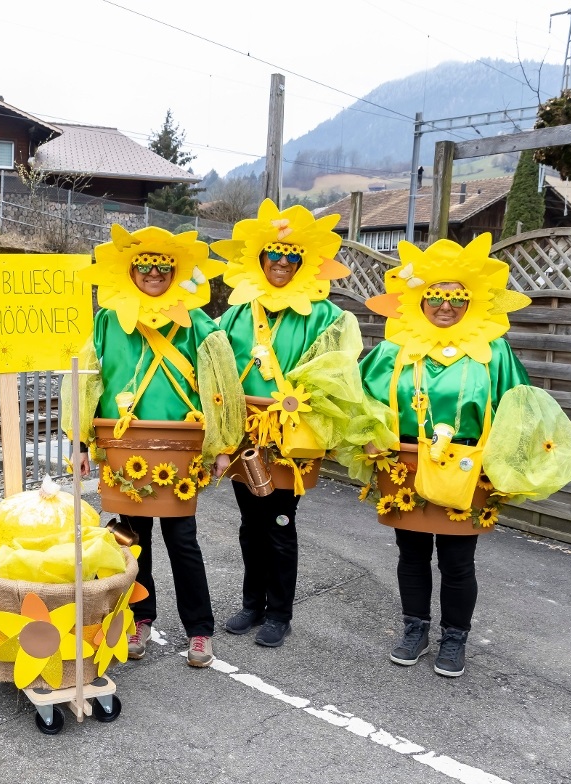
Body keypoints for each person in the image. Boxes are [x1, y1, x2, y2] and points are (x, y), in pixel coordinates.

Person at [353, 234, 571, 677]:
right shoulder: (394, 349)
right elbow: (359, 403)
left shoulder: (493, 352)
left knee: (458, 560)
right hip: (405, 465)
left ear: (473, 301)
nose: (445, 305)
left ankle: (454, 637)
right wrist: (366, 439)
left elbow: (521, 411)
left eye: (456, 297)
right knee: (411, 553)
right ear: (418, 299)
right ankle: (414, 629)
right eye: (434, 295)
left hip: (468, 469)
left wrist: (506, 470)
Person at [65, 224, 244, 669]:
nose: (154, 272)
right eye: (145, 264)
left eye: (163, 265)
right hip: (125, 447)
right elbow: (87, 382)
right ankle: (141, 618)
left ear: (175, 270)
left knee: (183, 541)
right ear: (131, 269)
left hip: (180, 450)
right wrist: (80, 440)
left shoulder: (198, 322)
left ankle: (199, 631)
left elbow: (222, 386)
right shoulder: (108, 319)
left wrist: (223, 446)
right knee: (132, 540)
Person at [211, 199, 377, 649]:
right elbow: (216, 367)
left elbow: (337, 372)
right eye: (274, 254)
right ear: (259, 258)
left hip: (293, 434)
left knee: (281, 522)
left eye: (292, 256)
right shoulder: (237, 312)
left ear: (304, 263)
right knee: (250, 522)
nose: (282, 263)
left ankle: (279, 613)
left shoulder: (324, 315)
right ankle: (252, 604)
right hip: (247, 433)